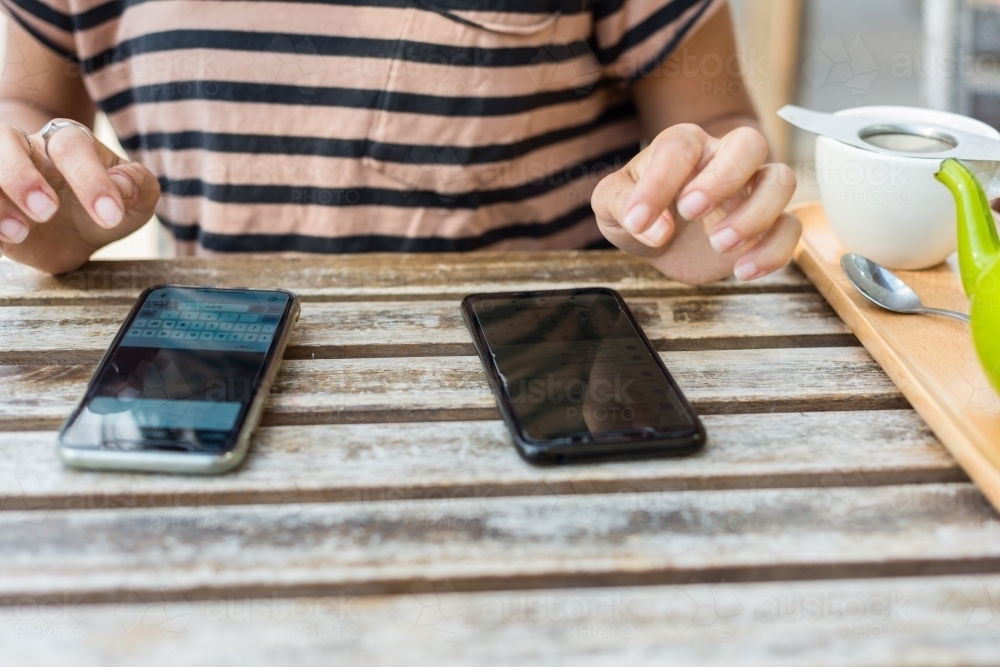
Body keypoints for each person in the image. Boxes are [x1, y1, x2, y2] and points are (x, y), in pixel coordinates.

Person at [0, 0, 797, 284]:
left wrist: (702, 204)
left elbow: (715, 121)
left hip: (551, 390)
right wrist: (38, 190)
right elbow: (25, 100)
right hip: (220, 377)